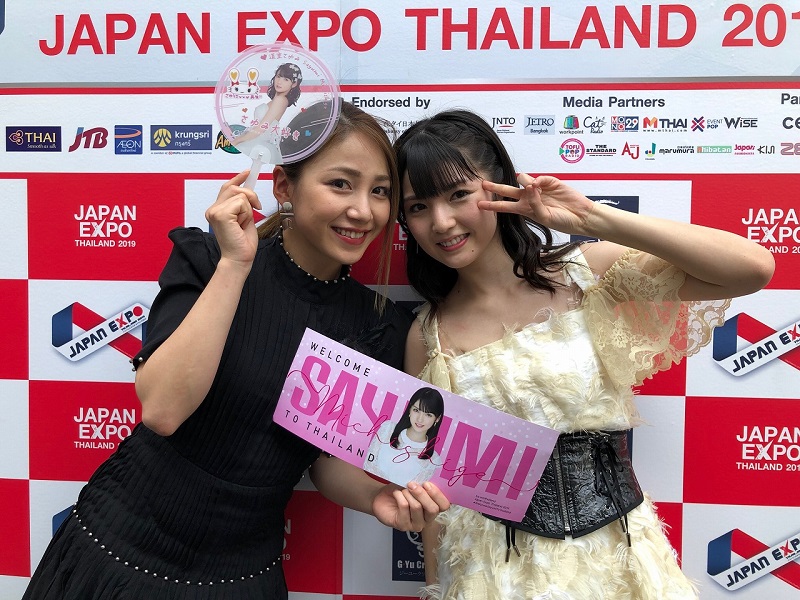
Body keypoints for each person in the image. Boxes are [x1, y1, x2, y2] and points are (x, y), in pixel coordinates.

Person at [23, 101, 449, 600]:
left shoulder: (378, 326)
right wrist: (234, 264)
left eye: (380, 191)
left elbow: (323, 459)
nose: (363, 210)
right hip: (118, 552)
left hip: (242, 577)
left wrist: (376, 496)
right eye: (340, 183)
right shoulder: (208, 260)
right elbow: (162, 410)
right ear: (284, 186)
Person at [394, 109, 775, 600]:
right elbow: (429, 481)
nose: (441, 222)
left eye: (458, 195)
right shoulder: (427, 335)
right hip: (488, 570)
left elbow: (751, 268)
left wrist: (592, 218)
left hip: (615, 555)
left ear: (499, 187)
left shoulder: (585, 275)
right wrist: (433, 586)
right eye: (418, 206)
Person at [366, 386, 445, 484]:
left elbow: (412, 489)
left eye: (428, 415)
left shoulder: (433, 459)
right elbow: (368, 464)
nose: (420, 419)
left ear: (437, 419)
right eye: (416, 410)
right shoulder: (388, 428)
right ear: (410, 409)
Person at [234, 62, 303, 162]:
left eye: (286, 79)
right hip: (257, 141)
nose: (279, 82)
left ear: (294, 84)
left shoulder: (281, 100)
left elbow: (262, 127)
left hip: (259, 144)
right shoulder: (279, 99)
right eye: (278, 76)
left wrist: (238, 140)